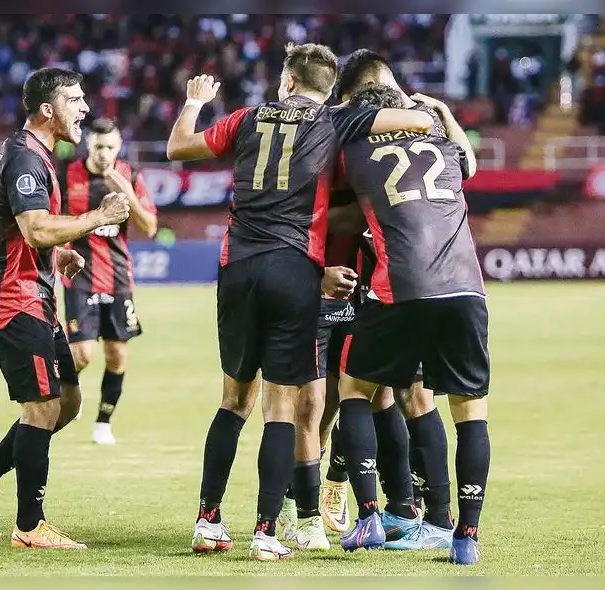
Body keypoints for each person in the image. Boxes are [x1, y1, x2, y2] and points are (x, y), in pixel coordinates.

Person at [165, 42, 434, 561]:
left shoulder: (245, 118)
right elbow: (417, 124)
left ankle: (207, 521)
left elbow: (179, 147)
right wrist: (410, 100)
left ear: (286, 81)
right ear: (329, 88)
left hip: (236, 266)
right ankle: (267, 531)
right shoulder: (338, 120)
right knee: (283, 406)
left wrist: (196, 101)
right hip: (295, 270)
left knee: (233, 401)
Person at [0, 67, 131, 550]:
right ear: (48, 110)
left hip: (38, 297)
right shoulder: (27, 161)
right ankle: (30, 526)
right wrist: (97, 218)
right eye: (75, 100)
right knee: (42, 407)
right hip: (14, 303)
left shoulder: (38, 155)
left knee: (66, 404)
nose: (85, 108)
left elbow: (31, 233)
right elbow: (33, 228)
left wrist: (58, 254)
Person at [336, 83, 489, 565]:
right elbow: (470, 162)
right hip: (466, 288)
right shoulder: (444, 143)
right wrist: (441, 109)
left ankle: (367, 518)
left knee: (355, 389)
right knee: (471, 412)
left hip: (399, 285)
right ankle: (464, 537)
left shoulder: (354, 146)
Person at [59, 117, 158, 446]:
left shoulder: (131, 176)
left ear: (119, 148)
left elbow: (150, 227)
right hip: (79, 276)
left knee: (117, 354)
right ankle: (60, 398)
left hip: (117, 279)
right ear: (87, 145)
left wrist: (127, 193)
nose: (104, 153)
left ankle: (103, 422)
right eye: (98, 146)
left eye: (110, 147)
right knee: (83, 354)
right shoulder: (66, 176)